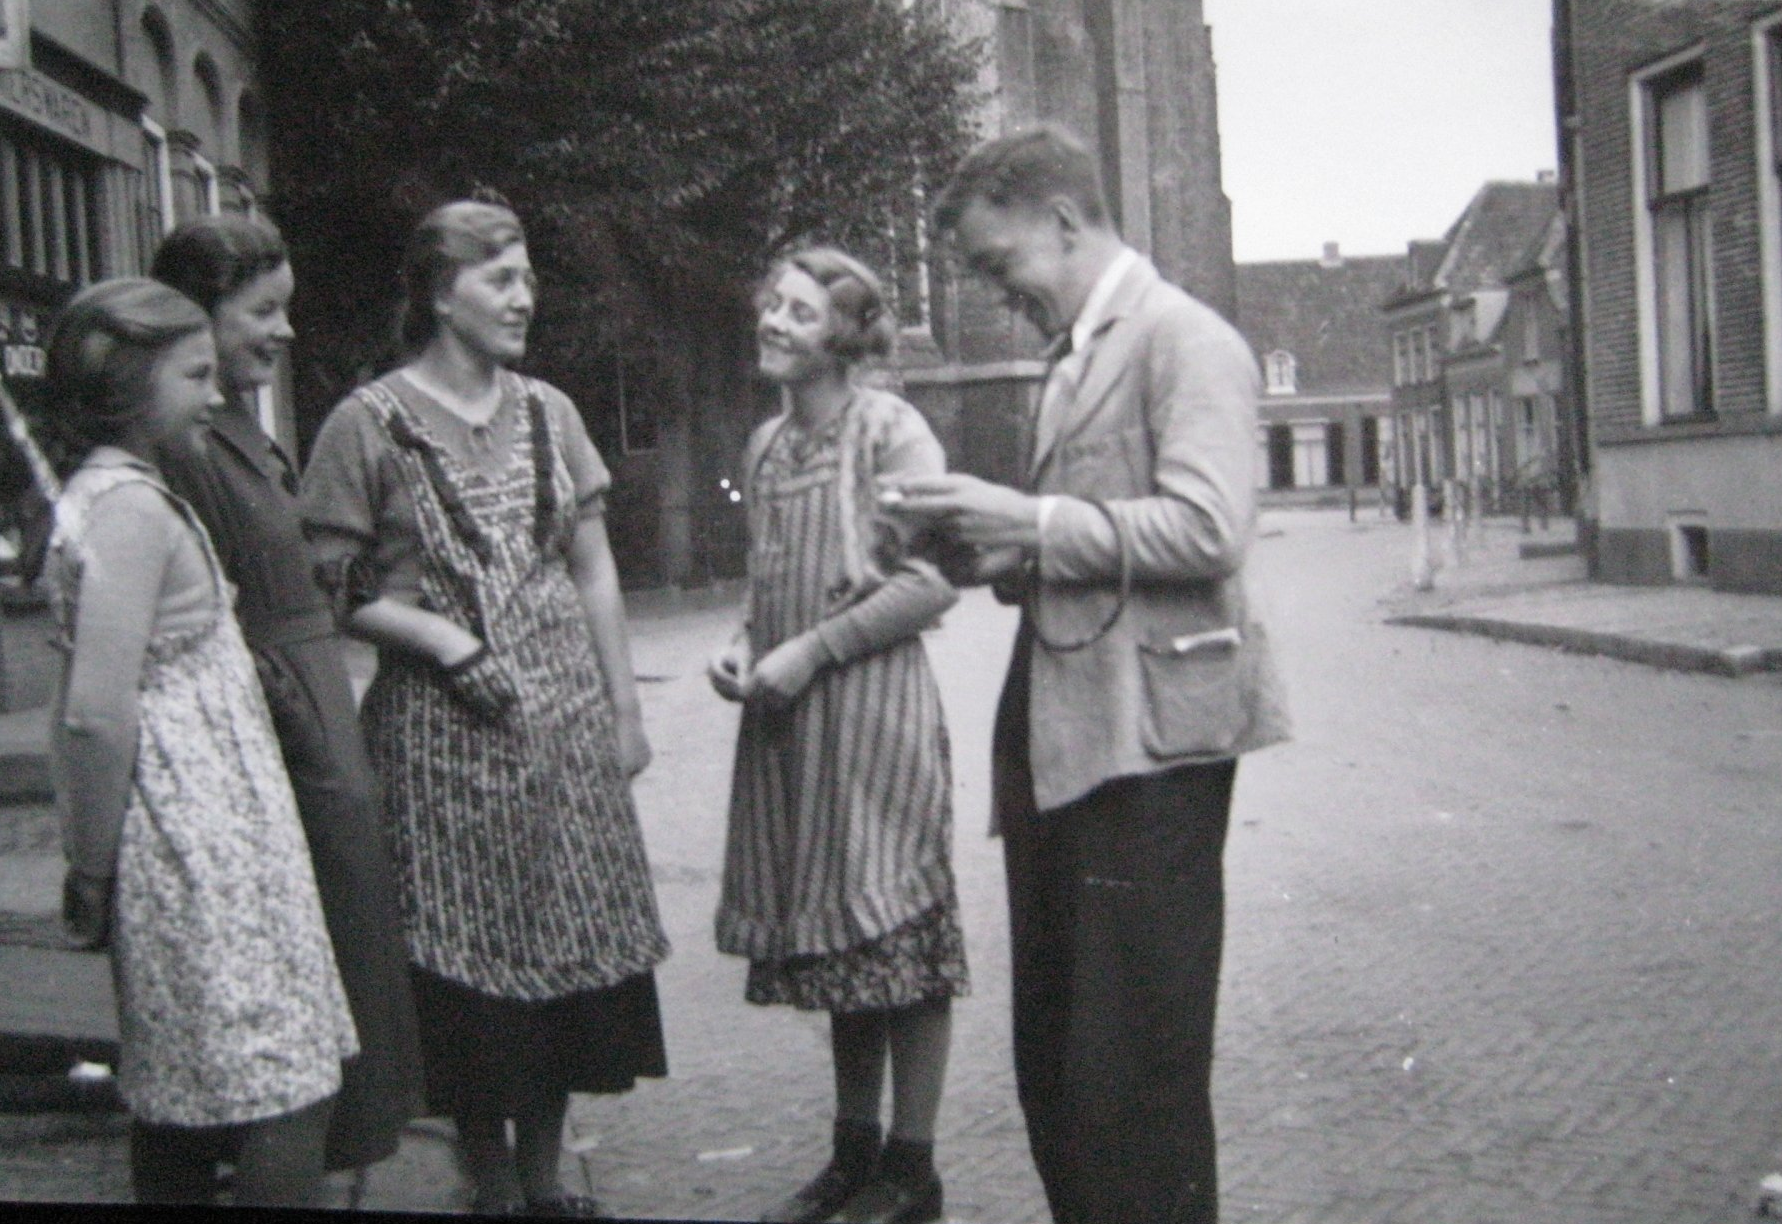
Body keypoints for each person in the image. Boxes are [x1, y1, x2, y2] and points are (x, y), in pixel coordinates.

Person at [889, 125, 1292, 1224]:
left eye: (999, 263)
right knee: (1062, 1071)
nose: (996, 293)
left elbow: (1209, 529)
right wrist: (989, 554)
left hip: (1149, 754)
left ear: (1065, 221)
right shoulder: (1075, 353)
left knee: (1134, 1079)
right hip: (1065, 744)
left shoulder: (1185, 339)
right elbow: (1098, 546)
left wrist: (1033, 520)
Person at [301, 199, 670, 1217]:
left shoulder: (551, 412)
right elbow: (334, 592)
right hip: (439, 747)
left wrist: (624, 710)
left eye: (529, 280)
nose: (523, 299)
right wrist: (441, 639)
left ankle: (545, 1181)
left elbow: (592, 568)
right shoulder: (366, 424)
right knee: (467, 969)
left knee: (565, 955)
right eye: (500, 279)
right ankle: (491, 1177)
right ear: (438, 292)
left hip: (563, 736)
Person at [44, 278, 359, 1207]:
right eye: (193, 376)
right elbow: (94, 711)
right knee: (284, 1088)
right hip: (203, 841)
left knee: (188, 1091)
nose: (214, 395)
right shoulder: (130, 512)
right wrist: (92, 865)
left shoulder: (118, 498)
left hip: (205, 834)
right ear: (126, 386)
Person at [149, 213, 425, 1187]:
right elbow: (205, 622)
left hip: (310, 719)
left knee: (338, 973)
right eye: (264, 311)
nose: (286, 330)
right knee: (296, 1004)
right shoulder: (188, 449)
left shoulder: (236, 432)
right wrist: (306, 735)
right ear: (198, 316)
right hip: (283, 735)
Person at [710, 247, 967, 1224]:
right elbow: (768, 577)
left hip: (875, 720)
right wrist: (743, 643)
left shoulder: (891, 430)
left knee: (900, 938)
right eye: (772, 303)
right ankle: (854, 1156)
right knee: (841, 951)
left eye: (801, 312)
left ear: (849, 336)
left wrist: (813, 650)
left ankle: (914, 1169)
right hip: (793, 730)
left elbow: (933, 581)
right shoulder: (765, 446)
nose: (774, 321)